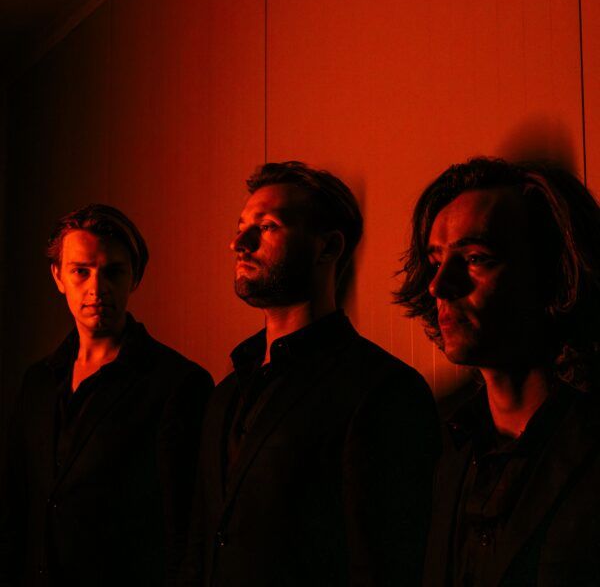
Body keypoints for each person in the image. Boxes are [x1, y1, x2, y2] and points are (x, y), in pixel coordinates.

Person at [180, 161, 440, 587]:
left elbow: (384, 562)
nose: (238, 243)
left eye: (266, 227)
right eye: (241, 227)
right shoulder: (226, 392)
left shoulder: (381, 389)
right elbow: (200, 541)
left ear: (329, 247)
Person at [395, 157, 600, 586]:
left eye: (475, 258)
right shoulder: (441, 445)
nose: (438, 285)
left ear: (552, 272)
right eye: (435, 260)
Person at [0, 204, 213, 587]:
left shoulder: (177, 384)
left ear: (135, 276)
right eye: (81, 271)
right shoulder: (38, 382)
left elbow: (184, 525)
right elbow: (17, 503)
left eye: (113, 271)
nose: (97, 289)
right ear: (58, 276)